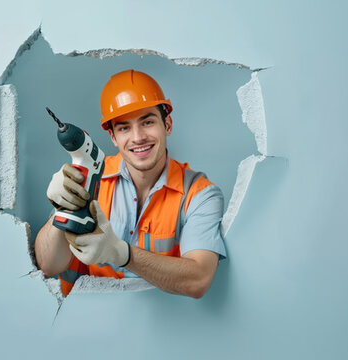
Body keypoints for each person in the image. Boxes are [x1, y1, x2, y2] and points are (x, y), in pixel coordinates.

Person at [34, 69, 227, 298]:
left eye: (147, 122)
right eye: (124, 127)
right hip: (84, 322)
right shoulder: (91, 178)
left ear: (168, 124)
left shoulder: (200, 194)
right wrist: (61, 211)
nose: (137, 137)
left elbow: (198, 280)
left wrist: (122, 254)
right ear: (113, 137)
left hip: (162, 329)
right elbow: (49, 265)